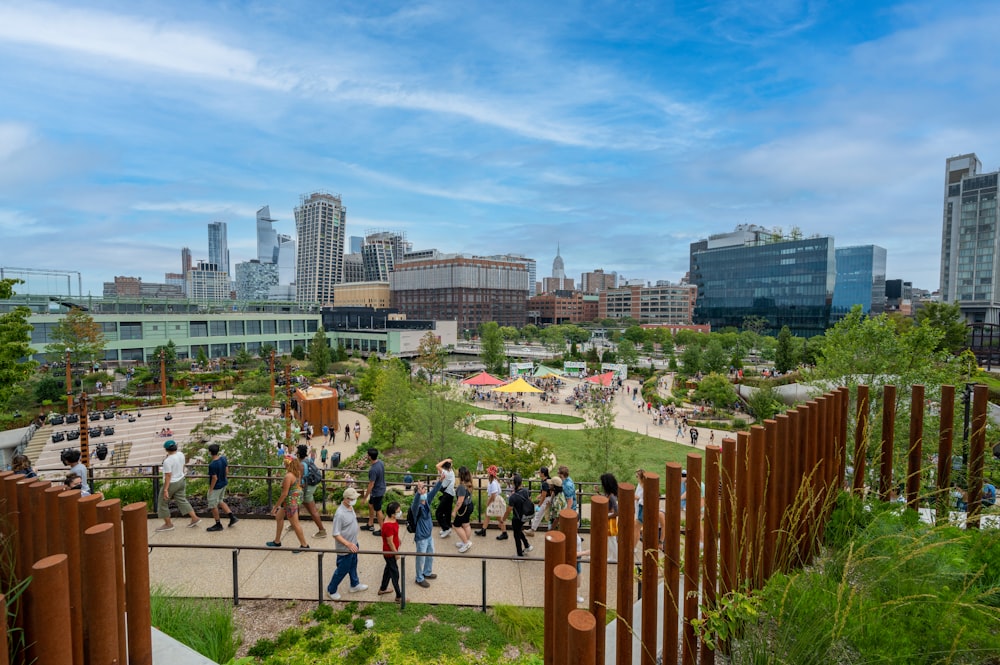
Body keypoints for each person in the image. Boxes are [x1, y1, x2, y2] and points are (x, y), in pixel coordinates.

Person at [325, 487, 368, 600]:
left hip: (353, 544)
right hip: (345, 548)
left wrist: (352, 543)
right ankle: (331, 589)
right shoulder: (340, 514)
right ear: (347, 499)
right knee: (342, 570)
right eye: (353, 498)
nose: (355, 500)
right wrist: (348, 544)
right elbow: (335, 534)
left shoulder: (350, 507)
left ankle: (354, 584)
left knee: (353, 565)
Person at [266, 455, 309, 550]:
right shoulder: (297, 473)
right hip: (291, 502)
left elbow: (284, 494)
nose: (284, 464)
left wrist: (275, 507)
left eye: (285, 463)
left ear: (288, 464)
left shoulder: (288, 476)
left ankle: (304, 545)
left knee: (295, 524)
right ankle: (277, 541)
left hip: (290, 503)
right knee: (279, 517)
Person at [155, 440, 200, 532]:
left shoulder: (167, 461)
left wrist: (165, 490)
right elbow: (182, 466)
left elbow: (168, 475)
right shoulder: (181, 454)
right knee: (182, 500)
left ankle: (168, 524)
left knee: (162, 502)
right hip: (181, 480)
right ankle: (195, 518)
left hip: (172, 483)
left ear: (166, 449)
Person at [410, 479, 441, 588]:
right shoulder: (416, 507)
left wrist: (440, 481)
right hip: (421, 537)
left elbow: (434, 491)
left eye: (424, 489)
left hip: (429, 535)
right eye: (423, 489)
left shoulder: (427, 500)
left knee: (430, 555)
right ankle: (419, 578)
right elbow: (414, 503)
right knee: (420, 558)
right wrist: (418, 492)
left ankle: (427, 572)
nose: (425, 491)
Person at [295, 444, 328, 538]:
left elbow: (300, 480)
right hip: (311, 486)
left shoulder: (301, 464)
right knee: (297, 504)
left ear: (298, 454)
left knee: (312, 510)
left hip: (306, 489)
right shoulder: (308, 460)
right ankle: (294, 524)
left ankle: (322, 531)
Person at [205, 443, 239, 532]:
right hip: (223, 483)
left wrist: (211, 489)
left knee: (213, 505)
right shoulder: (223, 459)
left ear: (210, 452)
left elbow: (214, 478)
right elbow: (226, 470)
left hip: (216, 487)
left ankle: (218, 524)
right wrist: (224, 478)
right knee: (220, 501)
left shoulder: (212, 465)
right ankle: (232, 517)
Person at [377, 501, 403, 602]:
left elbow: (394, 535)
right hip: (390, 553)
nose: (400, 512)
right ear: (392, 513)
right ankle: (398, 596)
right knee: (395, 573)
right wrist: (395, 553)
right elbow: (389, 542)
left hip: (391, 551)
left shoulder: (393, 519)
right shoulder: (388, 525)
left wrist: (398, 539)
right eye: (398, 511)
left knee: (388, 570)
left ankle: (382, 588)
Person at [507, 474, 533, 557]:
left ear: (513, 484)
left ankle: (519, 554)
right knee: (518, 530)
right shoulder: (526, 491)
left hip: (517, 518)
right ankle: (527, 545)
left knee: (516, 535)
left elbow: (509, 509)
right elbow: (530, 500)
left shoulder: (513, 497)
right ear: (521, 482)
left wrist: (502, 519)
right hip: (526, 515)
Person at [362, 448, 386, 536]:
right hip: (380, 489)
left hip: (377, 492)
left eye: (367, 455)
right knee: (370, 505)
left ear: (370, 457)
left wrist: (364, 497)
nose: (366, 456)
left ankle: (383, 530)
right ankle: (370, 524)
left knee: (378, 510)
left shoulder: (373, 470)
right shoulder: (380, 463)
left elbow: (371, 484)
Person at [477, 465, 505, 538]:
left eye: (488, 472)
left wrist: (488, 502)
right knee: (487, 515)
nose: (487, 473)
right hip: (494, 500)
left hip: (494, 500)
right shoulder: (494, 481)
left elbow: (493, 494)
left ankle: (504, 532)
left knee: (498, 517)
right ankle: (483, 530)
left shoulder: (493, 483)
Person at [452, 466, 474, 553]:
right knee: (466, 524)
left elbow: (459, 501)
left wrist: (454, 511)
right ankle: (465, 541)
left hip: (463, 508)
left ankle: (466, 543)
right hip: (469, 506)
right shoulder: (469, 483)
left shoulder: (462, 486)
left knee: (456, 525)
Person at [526, 466, 552, 536]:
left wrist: (539, 505)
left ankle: (532, 530)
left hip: (546, 500)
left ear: (543, 474)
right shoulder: (548, 480)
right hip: (549, 498)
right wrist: (540, 495)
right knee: (540, 515)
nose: (539, 473)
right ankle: (532, 529)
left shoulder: (544, 483)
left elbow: (544, 495)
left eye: (540, 472)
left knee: (538, 514)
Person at [600, 473, 620, 562]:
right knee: (610, 539)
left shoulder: (611, 496)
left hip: (610, 518)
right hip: (608, 516)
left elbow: (617, 511)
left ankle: (615, 557)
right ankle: (613, 556)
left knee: (611, 539)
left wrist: (607, 517)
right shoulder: (609, 494)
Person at [435, 458, 456, 538]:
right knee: (447, 512)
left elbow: (437, 465)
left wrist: (446, 460)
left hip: (447, 495)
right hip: (450, 494)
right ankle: (447, 528)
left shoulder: (446, 473)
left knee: (438, 513)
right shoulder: (451, 472)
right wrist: (448, 461)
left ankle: (446, 528)